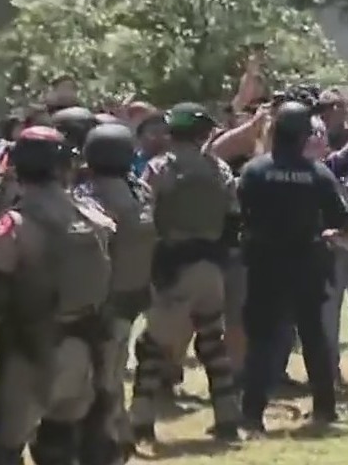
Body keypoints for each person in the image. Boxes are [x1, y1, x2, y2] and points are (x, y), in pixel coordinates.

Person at [0, 125, 115, 465]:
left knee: (1, 451)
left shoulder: (15, 225)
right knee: (59, 445)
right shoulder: (92, 218)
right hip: (83, 350)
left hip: (31, 355)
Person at [238, 101, 348, 433]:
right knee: (314, 336)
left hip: (264, 262)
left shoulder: (254, 171)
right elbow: (343, 219)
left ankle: (251, 414)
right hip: (307, 262)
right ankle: (325, 409)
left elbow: (241, 213)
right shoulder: (318, 173)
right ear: (305, 136)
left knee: (262, 339)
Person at [129, 102, 239, 447]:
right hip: (211, 267)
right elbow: (233, 218)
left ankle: (141, 423)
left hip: (173, 267)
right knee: (211, 341)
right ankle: (227, 417)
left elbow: (144, 215)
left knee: (151, 348)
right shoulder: (219, 169)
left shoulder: (160, 168)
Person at [76, 122, 156, 464]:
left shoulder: (92, 197)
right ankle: (120, 436)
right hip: (133, 296)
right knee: (114, 371)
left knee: (101, 379)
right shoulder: (141, 192)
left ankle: (110, 443)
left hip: (104, 301)